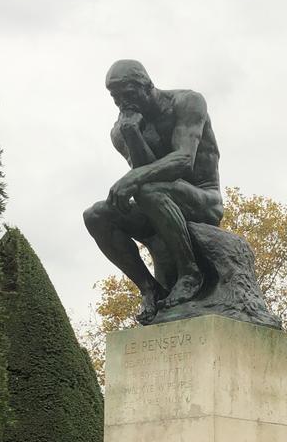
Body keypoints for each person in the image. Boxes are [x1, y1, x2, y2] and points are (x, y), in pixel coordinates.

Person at [83, 60, 223, 323]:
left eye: (128, 93)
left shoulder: (187, 102)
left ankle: (190, 274)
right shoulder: (121, 130)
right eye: (115, 97)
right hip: (156, 202)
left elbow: (183, 160)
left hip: (203, 200)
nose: (123, 102)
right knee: (96, 215)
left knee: (146, 188)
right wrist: (132, 133)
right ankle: (150, 289)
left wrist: (134, 177)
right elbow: (145, 171)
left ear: (147, 85)